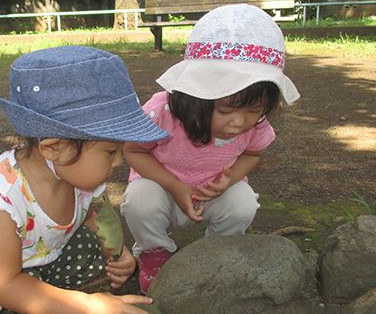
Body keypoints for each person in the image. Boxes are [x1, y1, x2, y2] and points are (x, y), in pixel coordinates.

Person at [0, 45, 168, 314]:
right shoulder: (3, 200)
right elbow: (2, 284)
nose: (118, 162)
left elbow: (97, 215)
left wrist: (119, 253)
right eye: (110, 152)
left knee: (88, 246)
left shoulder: (77, 173)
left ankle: (45, 295)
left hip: (37, 258)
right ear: (54, 148)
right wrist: (89, 306)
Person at [120, 4, 301, 294]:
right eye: (227, 109)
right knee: (139, 200)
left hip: (212, 194)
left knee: (243, 202)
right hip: (162, 189)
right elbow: (134, 151)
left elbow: (252, 154)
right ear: (196, 95)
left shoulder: (254, 124)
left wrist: (230, 179)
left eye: (254, 109)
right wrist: (175, 185)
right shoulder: (163, 111)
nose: (239, 122)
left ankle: (215, 252)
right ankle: (155, 252)